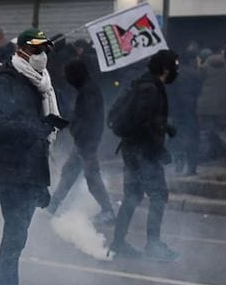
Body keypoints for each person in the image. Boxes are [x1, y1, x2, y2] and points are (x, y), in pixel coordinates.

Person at [0, 28, 64, 285]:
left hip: (29, 173)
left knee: (17, 237)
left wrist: (41, 184)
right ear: (22, 51)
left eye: (46, 50)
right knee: (14, 237)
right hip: (11, 174)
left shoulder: (38, 83)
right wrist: (37, 128)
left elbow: (37, 137)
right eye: (37, 49)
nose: (43, 55)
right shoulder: (5, 82)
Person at [109, 49, 181, 262]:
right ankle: (153, 245)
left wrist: (165, 127)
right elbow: (143, 122)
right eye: (174, 67)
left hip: (132, 150)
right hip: (143, 153)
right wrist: (159, 150)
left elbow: (146, 117)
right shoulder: (150, 89)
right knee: (159, 196)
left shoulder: (141, 84)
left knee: (132, 197)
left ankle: (118, 243)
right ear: (166, 69)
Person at [47, 59, 115, 223]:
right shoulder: (86, 89)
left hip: (87, 142)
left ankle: (108, 211)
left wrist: (77, 131)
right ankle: (53, 206)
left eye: (69, 75)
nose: (67, 79)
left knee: (92, 177)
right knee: (69, 173)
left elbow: (89, 119)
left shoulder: (88, 91)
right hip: (82, 142)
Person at [166, 52, 203, 176]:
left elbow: (168, 93)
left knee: (177, 137)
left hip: (176, 110)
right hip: (191, 109)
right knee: (192, 137)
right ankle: (192, 167)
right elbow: (199, 91)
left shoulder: (173, 75)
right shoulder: (195, 74)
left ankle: (178, 162)